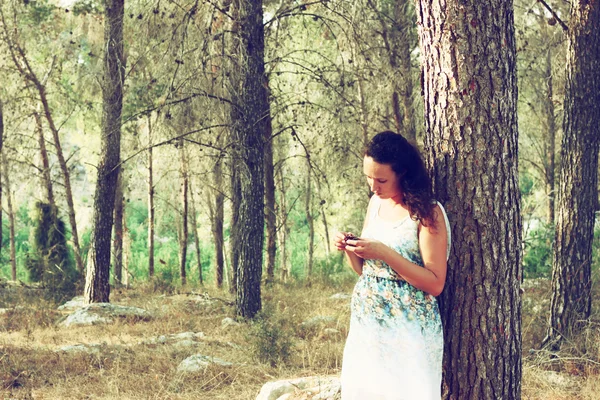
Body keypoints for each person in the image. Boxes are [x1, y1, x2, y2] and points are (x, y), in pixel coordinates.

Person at [335, 131, 450, 400]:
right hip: (369, 326)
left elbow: (435, 283)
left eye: (381, 179)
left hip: (409, 329)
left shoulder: (427, 212)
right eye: (368, 177)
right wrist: (350, 249)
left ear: (403, 173)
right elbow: (366, 271)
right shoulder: (375, 203)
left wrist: (385, 253)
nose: (373, 186)